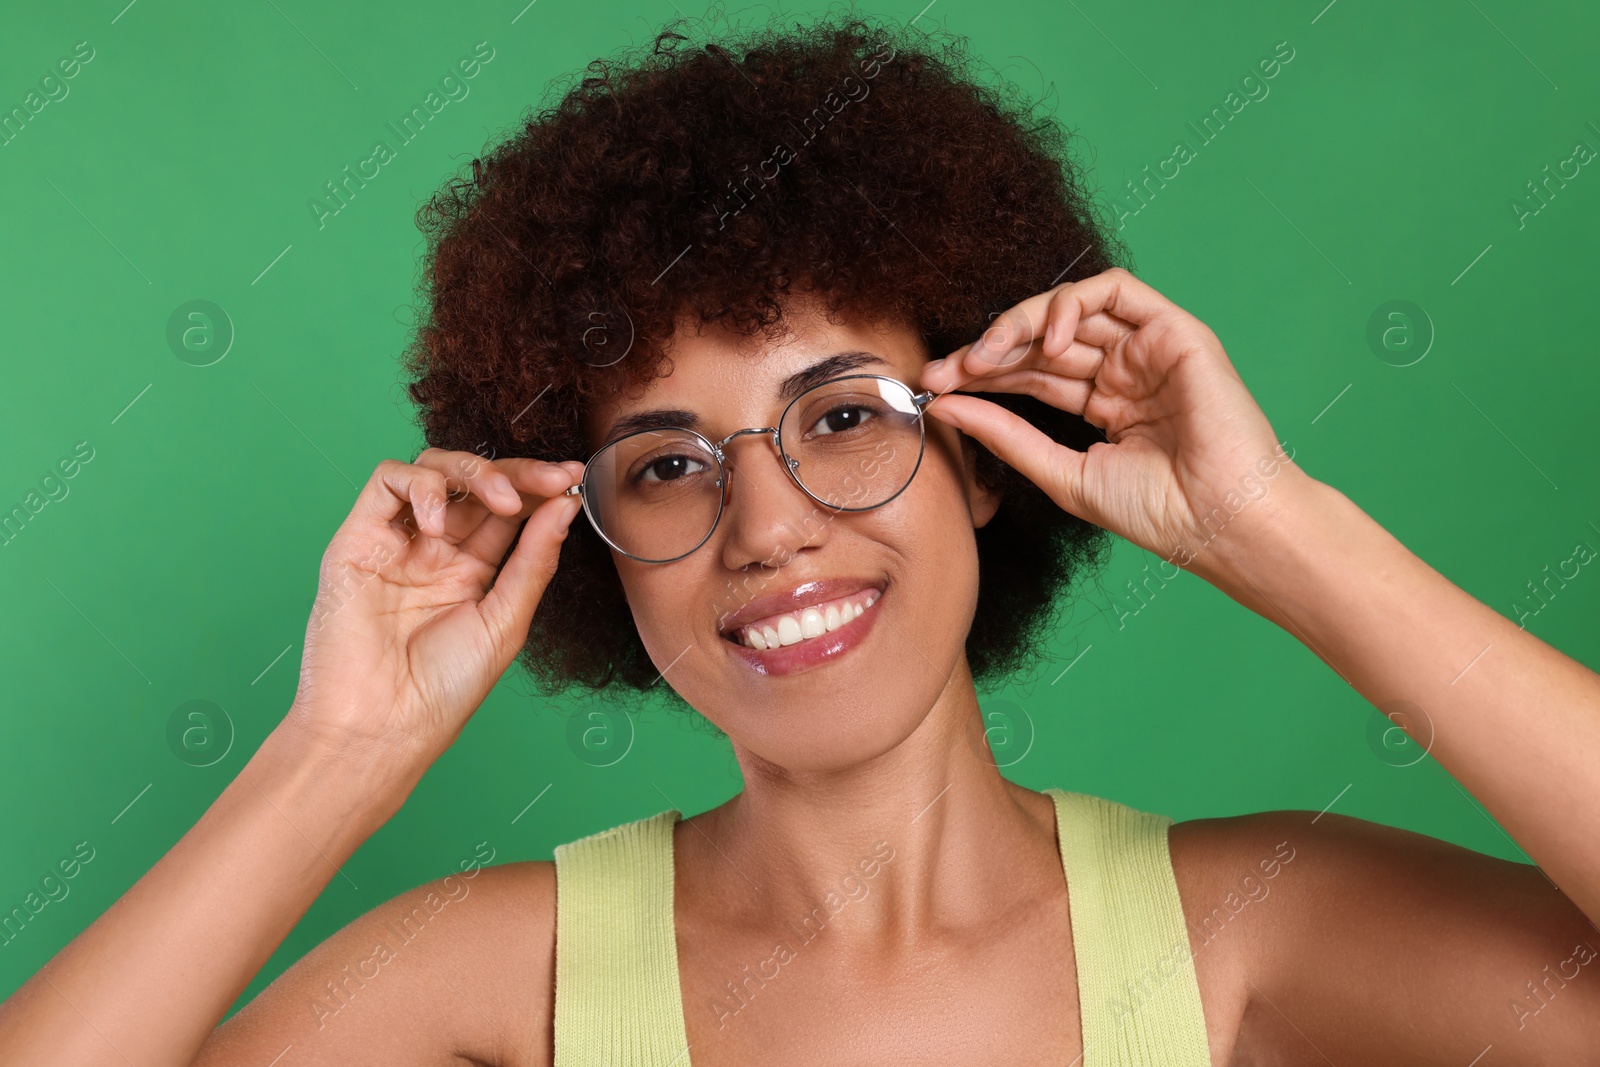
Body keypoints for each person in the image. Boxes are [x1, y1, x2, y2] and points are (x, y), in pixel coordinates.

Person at [3, 14, 1598, 1067]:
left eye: (844, 419)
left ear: (988, 457)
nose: (765, 529)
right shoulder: (494, 974)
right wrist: (337, 752)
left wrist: (1277, 531)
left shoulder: (1245, 928)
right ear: (590, 539)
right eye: (669, 464)